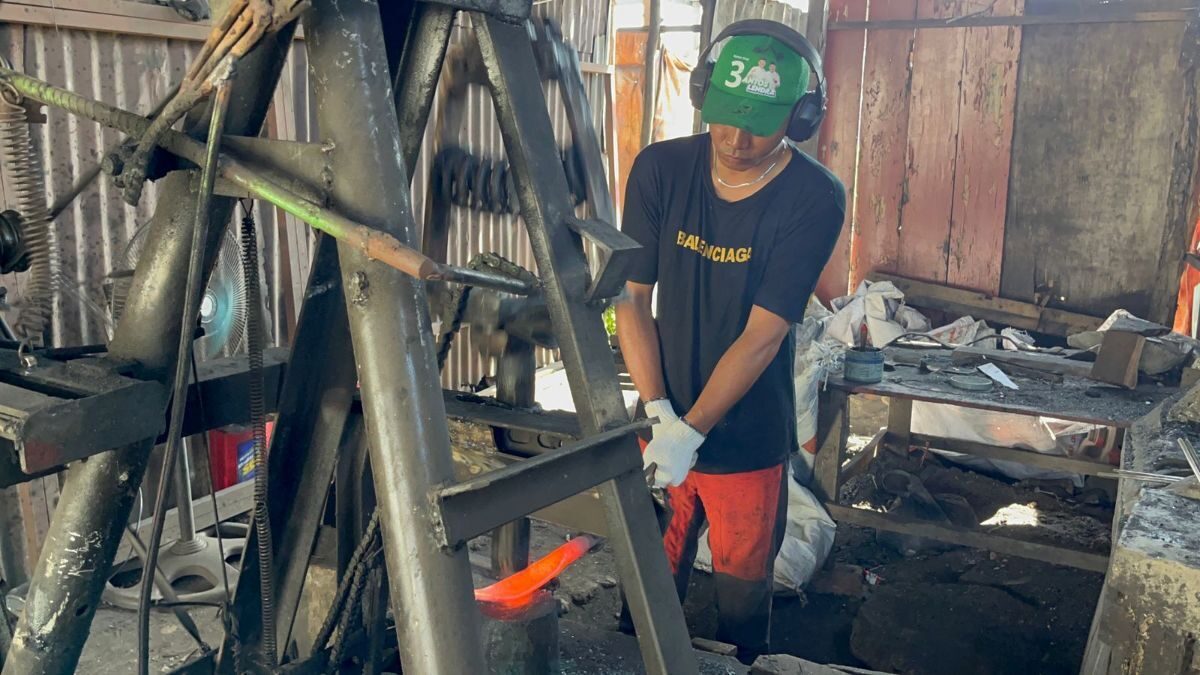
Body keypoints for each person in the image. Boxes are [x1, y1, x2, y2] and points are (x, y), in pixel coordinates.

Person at [614, 20, 845, 661]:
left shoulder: (814, 197)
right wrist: (659, 414)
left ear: (800, 118)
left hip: (747, 435)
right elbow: (631, 299)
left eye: (760, 126)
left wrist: (692, 430)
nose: (737, 140)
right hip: (659, 417)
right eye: (725, 118)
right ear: (704, 95)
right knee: (643, 588)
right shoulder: (661, 169)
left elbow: (764, 335)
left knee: (741, 604)